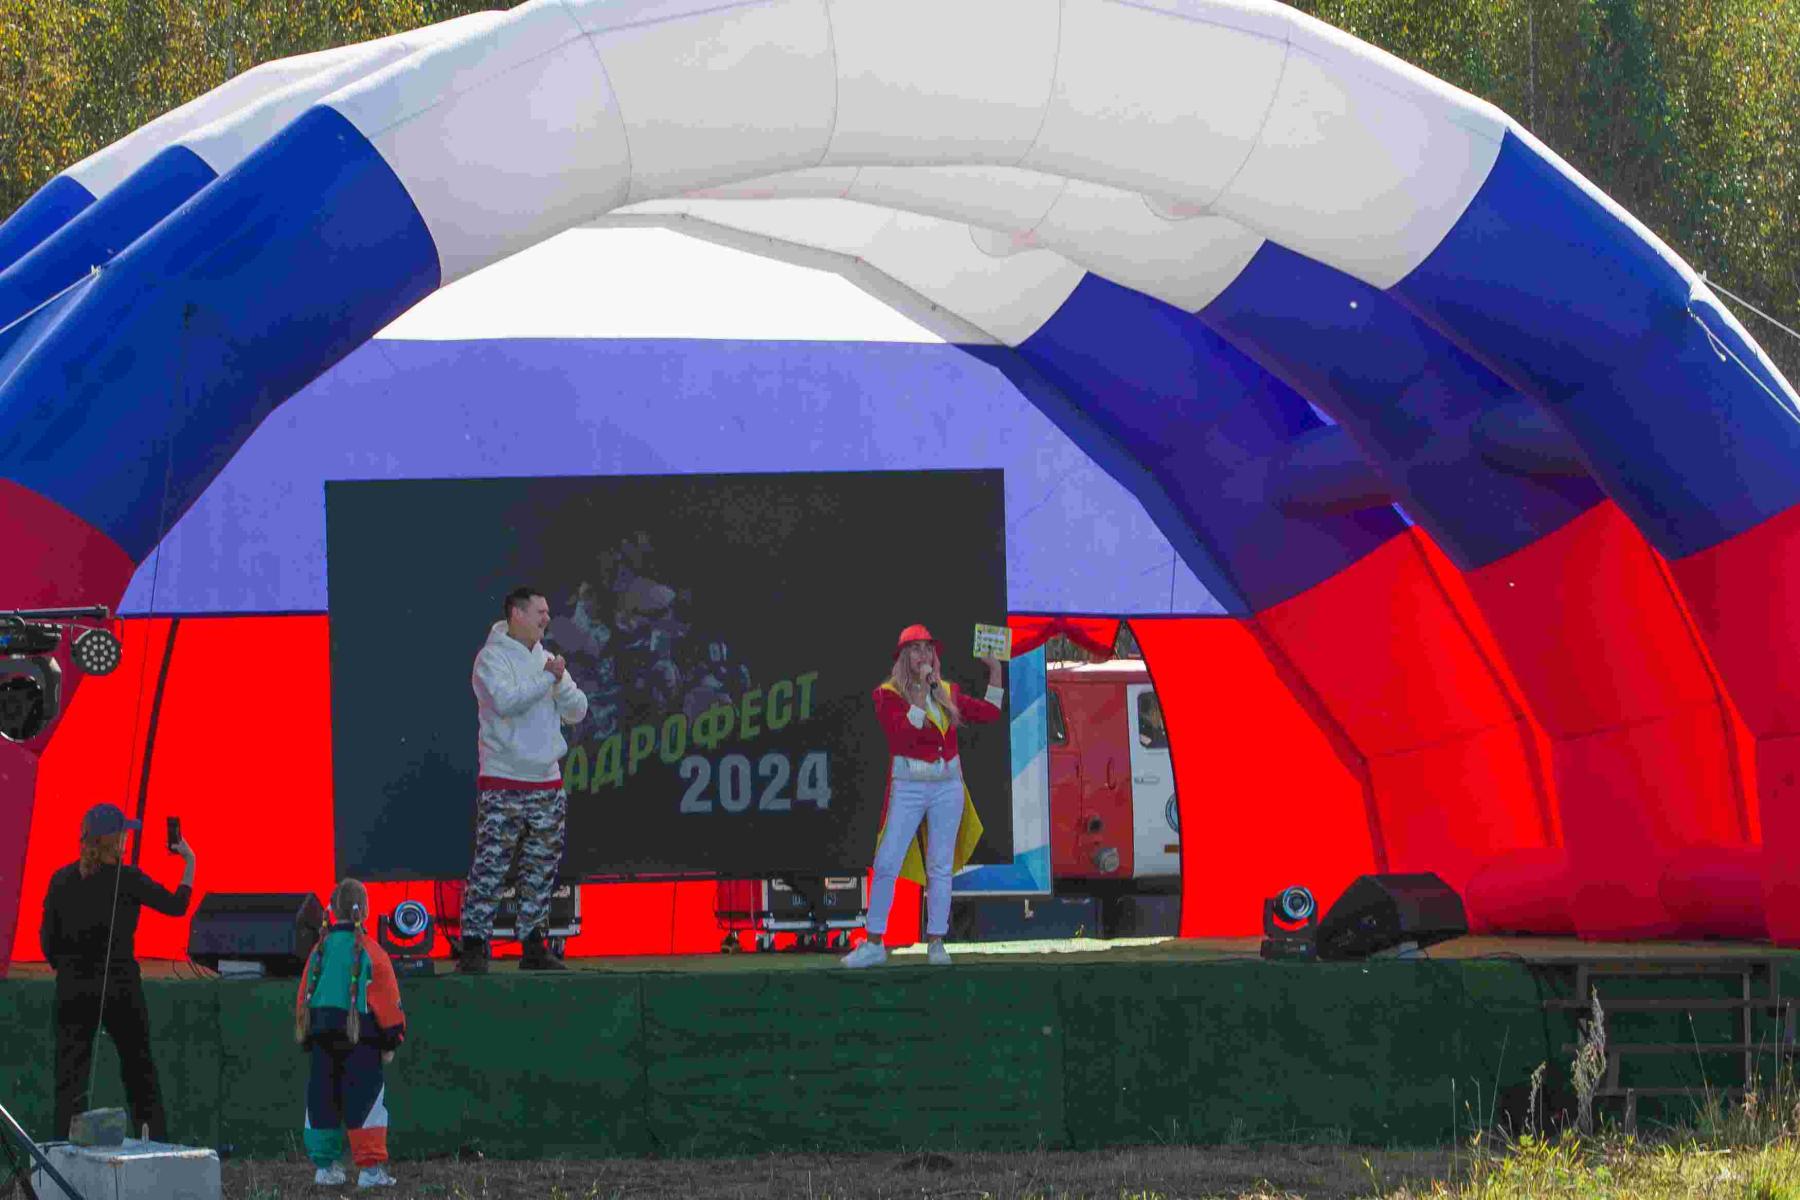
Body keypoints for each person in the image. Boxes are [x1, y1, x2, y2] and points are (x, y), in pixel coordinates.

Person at [841, 624, 1004, 969]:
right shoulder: (887, 694)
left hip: (947, 787)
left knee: (940, 866)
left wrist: (995, 671)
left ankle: (937, 941)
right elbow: (901, 737)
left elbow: (990, 714)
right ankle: (873, 942)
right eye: (915, 649)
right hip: (909, 786)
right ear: (903, 657)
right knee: (887, 861)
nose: (923, 655)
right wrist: (917, 699)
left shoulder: (947, 690)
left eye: (927, 649)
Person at [40, 802, 196, 1140]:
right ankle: (154, 1143)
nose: (128, 837)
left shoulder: (61, 880)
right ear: (115, 840)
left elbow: (47, 942)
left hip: (72, 989)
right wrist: (190, 861)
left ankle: (60, 1153)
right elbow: (177, 906)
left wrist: (69, 969)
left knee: (69, 1079)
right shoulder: (129, 879)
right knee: (139, 1071)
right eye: (124, 832)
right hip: (121, 987)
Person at [459, 587, 588, 973]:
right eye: (540, 611)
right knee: (491, 866)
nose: (547, 618)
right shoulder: (490, 659)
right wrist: (547, 679)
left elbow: (578, 710)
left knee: (541, 866)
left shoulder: (548, 660)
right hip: (504, 780)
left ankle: (533, 942)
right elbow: (506, 702)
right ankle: (474, 945)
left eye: (547, 611)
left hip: (547, 781)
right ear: (516, 613)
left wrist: (559, 684)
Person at [295, 878, 406, 1189]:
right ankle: (370, 1173)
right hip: (363, 1041)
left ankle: (325, 1168)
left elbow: (304, 994)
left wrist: (306, 1034)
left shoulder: (319, 950)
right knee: (366, 1101)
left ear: (330, 909)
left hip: (321, 1037)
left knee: (321, 1099)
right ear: (365, 911)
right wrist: (393, 1038)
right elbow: (387, 999)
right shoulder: (374, 952)